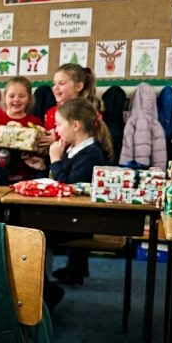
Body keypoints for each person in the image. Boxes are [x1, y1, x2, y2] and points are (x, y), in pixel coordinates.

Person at [45, 98, 113, 306]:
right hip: (70, 218)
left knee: (31, 233)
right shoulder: (75, 148)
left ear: (75, 125)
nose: (56, 130)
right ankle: (43, 288)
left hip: (81, 220)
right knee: (26, 228)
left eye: (58, 125)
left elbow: (68, 188)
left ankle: (46, 292)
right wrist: (45, 164)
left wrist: (55, 160)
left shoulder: (91, 153)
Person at [0, 76, 43, 181]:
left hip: (27, 176)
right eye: (12, 96)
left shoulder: (35, 123)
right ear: (5, 97)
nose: (16, 100)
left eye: (21, 96)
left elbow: (40, 151)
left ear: (29, 98)